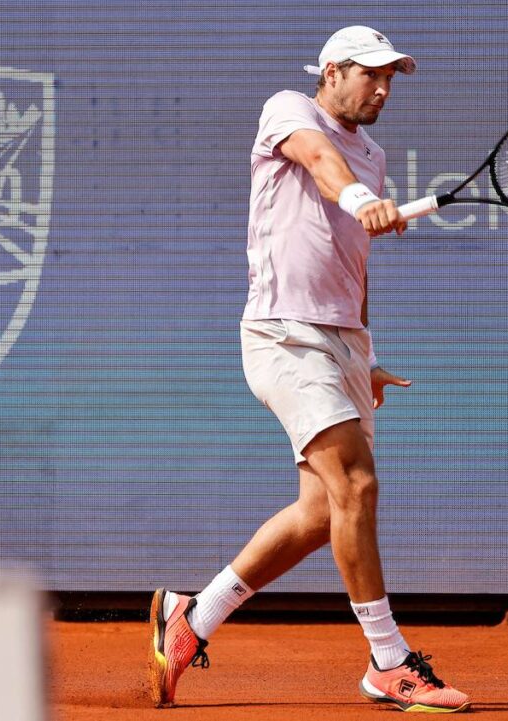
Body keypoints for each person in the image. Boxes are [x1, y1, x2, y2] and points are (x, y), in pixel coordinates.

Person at [148, 26, 471, 713]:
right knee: (356, 481)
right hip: (284, 335)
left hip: (345, 342)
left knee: (321, 511)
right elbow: (321, 160)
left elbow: (350, 265)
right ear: (332, 71)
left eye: (391, 79)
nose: (383, 89)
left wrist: (371, 356)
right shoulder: (289, 108)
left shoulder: (376, 154)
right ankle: (388, 661)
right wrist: (359, 199)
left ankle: (190, 614)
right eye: (371, 75)